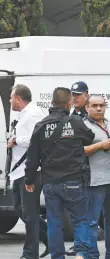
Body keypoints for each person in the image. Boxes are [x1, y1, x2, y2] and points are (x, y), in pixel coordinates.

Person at [24, 87, 95, 259]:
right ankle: (82, 253)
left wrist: (29, 179)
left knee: (54, 223)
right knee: (80, 220)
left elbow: (32, 157)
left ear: (51, 103)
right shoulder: (76, 122)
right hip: (74, 180)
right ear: (69, 103)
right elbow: (90, 137)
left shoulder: (41, 126)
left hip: (50, 183)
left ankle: (57, 256)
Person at [7, 84, 48, 259]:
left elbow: (37, 137)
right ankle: (51, 239)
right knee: (20, 209)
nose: (10, 100)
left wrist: (16, 140)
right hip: (18, 172)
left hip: (30, 171)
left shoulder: (33, 114)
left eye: (11, 97)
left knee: (30, 214)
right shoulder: (24, 114)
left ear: (18, 98)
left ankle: (30, 253)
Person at [83, 94, 110, 258]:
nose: (99, 108)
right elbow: (79, 151)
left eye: (102, 105)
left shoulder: (108, 123)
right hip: (94, 181)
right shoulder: (83, 126)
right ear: (87, 107)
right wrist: (101, 145)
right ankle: (92, 255)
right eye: (95, 105)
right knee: (92, 222)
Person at [66, 81, 89, 256]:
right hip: (75, 167)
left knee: (86, 212)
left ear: (86, 95)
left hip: (87, 168)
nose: (75, 97)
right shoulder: (72, 114)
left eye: (78, 94)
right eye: (73, 94)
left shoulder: (88, 115)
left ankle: (83, 246)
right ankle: (80, 244)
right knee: (77, 211)